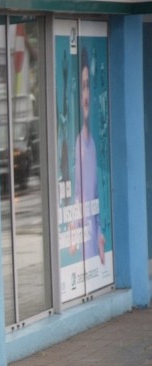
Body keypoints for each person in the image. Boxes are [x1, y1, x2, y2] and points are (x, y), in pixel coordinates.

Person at [73, 47, 106, 264]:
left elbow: (94, 197)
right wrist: (74, 230)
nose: (86, 95)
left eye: (88, 87)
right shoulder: (78, 144)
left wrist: (101, 233)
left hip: (93, 235)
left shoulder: (92, 143)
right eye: (83, 87)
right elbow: (77, 195)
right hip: (83, 236)